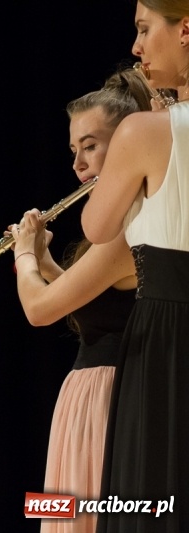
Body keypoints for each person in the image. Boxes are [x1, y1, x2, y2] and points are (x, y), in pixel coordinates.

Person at [9, 68, 150, 533]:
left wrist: (26, 255)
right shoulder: (122, 228)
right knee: (69, 516)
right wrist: (48, 263)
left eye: (90, 145)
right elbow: (95, 302)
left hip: (108, 397)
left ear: (129, 145)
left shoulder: (130, 231)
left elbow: (38, 310)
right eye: (74, 150)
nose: (78, 164)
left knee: (90, 519)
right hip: (88, 395)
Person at [80, 2, 189, 530]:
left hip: (167, 334)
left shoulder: (145, 131)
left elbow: (97, 227)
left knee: (153, 492)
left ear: (185, 30)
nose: (136, 47)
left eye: (145, 30)